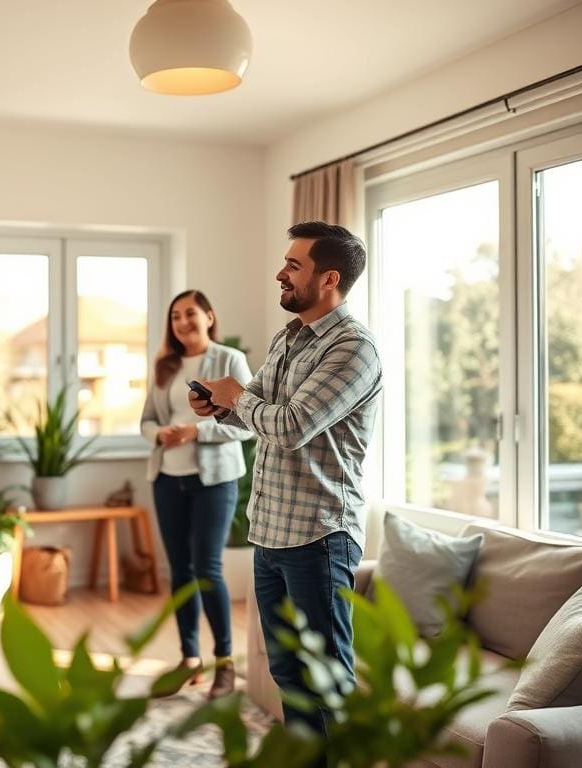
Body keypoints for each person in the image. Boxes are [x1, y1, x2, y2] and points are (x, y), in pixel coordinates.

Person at [189, 222, 382, 736]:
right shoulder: (289, 337)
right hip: (271, 532)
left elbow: (292, 426)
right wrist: (221, 408)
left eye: (294, 265)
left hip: (319, 536)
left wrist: (236, 397)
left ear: (329, 279)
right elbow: (261, 418)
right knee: (289, 675)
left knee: (325, 678)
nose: (280, 273)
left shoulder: (353, 348)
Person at [140, 289, 252, 699]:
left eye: (190, 313)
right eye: (175, 316)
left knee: (207, 569)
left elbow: (247, 424)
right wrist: (159, 434)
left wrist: (195, 431)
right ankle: (189, 659)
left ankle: (224, 663)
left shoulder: (229, 360)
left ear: (209, 316)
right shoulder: (164, 366)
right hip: (167, 479)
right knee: (180, 572)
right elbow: (146, 421)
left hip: (214, 481)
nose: (182, 322)